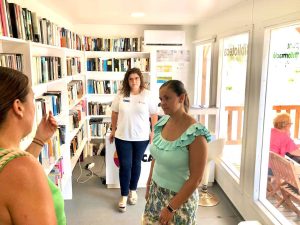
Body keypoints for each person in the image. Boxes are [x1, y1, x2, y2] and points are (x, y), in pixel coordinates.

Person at [0, 67, 66, 225]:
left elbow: (12, 164)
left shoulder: (10, 161)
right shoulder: (23, 171)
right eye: (33, 99)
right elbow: (19, 172)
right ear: (19, 107)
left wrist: (39, 139)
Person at [143, 80, 211, 225]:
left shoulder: (196, 134)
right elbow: (157, 156)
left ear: (181, 98)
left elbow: (196, 179)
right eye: (161, 99)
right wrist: (149, 183)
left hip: (179, 200)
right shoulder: (162, 123)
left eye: (167, 98)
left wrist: (170, 207)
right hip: (156, 191)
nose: (162, 103)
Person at [109, 67, 158, 212]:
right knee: (125, 165)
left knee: (136, 164)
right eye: (131, 79)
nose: (134, 81)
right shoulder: (121, 94)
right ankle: (124, 195)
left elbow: (154, 114)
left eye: (136, 78)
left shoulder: (147, 95)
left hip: (141, 137)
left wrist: (153, 131)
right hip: (122, 136)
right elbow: (114, 113)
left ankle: (133, 191)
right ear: (127, 81)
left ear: (140, 79)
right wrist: (113, 130)